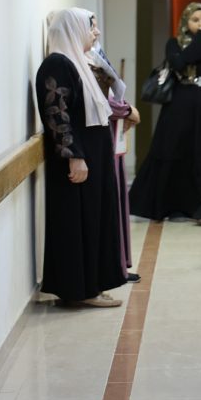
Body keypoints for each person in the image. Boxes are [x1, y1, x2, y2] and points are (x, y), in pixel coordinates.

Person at [34, 8, 127, 307]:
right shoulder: (57, 64)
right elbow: (56, 115)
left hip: (92, 155)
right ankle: (80, 290)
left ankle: (92, 285)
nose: (96, 32)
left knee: (94, 220)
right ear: (73, 30)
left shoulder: (78, 63)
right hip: (78, 159)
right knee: (78, 223)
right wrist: (74, 156)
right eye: (91, 26)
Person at [129, 2, 201, 224]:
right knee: (172, 150)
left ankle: (200, 207)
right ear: (186, 22)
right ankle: (171, 206)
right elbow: (179, 63)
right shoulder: (174, 43)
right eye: (195, 20)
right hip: (179, 105)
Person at [87, 31, 142, 283]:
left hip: (112, 135)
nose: (96, 32)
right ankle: (114, 265)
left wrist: (126, 109)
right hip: (101, 139)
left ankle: (120, 263)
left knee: (118, 199)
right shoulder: (79, 64)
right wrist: (128, 110)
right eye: (90, 26)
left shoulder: (94, 57)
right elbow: (100, 100)